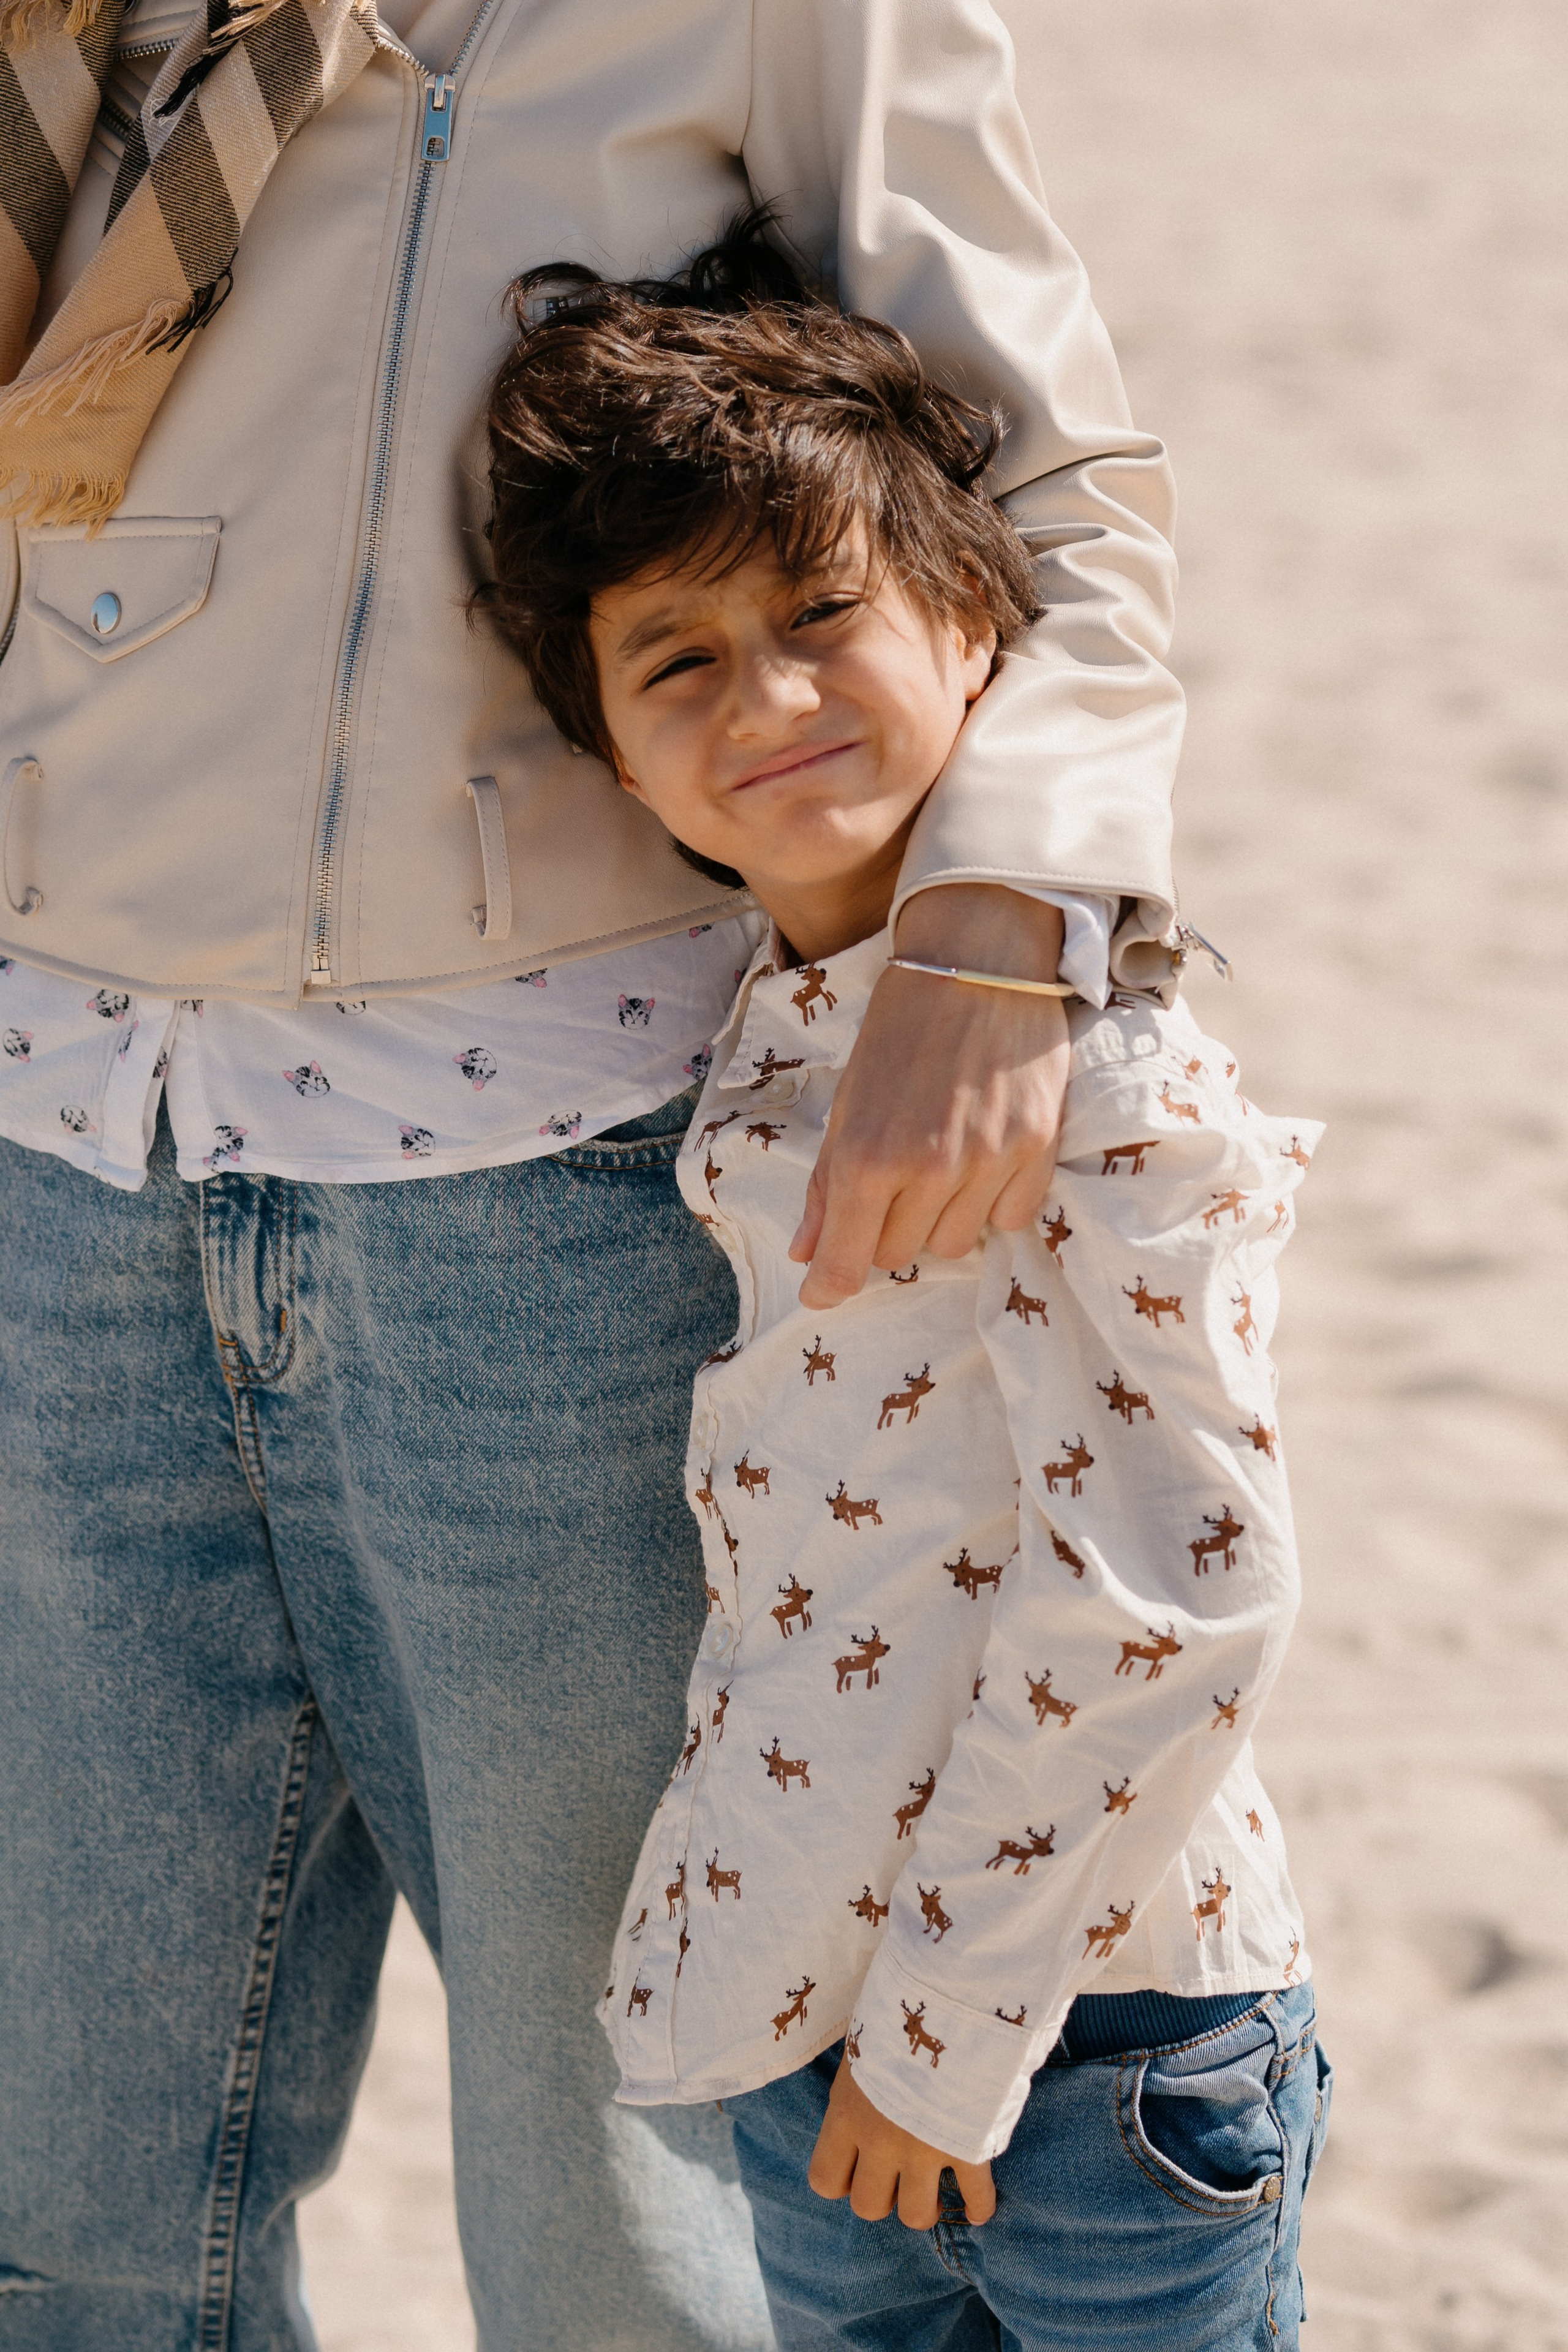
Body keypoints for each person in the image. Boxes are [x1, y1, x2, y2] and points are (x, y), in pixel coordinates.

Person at [0, 6, 1184, 2347]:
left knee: (627, 2176)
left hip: (552, 1205)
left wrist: (1001, 922)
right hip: (61, 1159)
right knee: (76, 2187)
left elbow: (1060, 501)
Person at [480, 227, 1332, 2350]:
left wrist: (941, 2042)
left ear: (979, 630)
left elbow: (1180, 1587)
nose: (763, 697)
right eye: (673, 661)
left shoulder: (1089, 1063)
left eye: (822, 614)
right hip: (800, 2048)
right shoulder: (744, 1031)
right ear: (605, 752)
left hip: (1089, 2051)